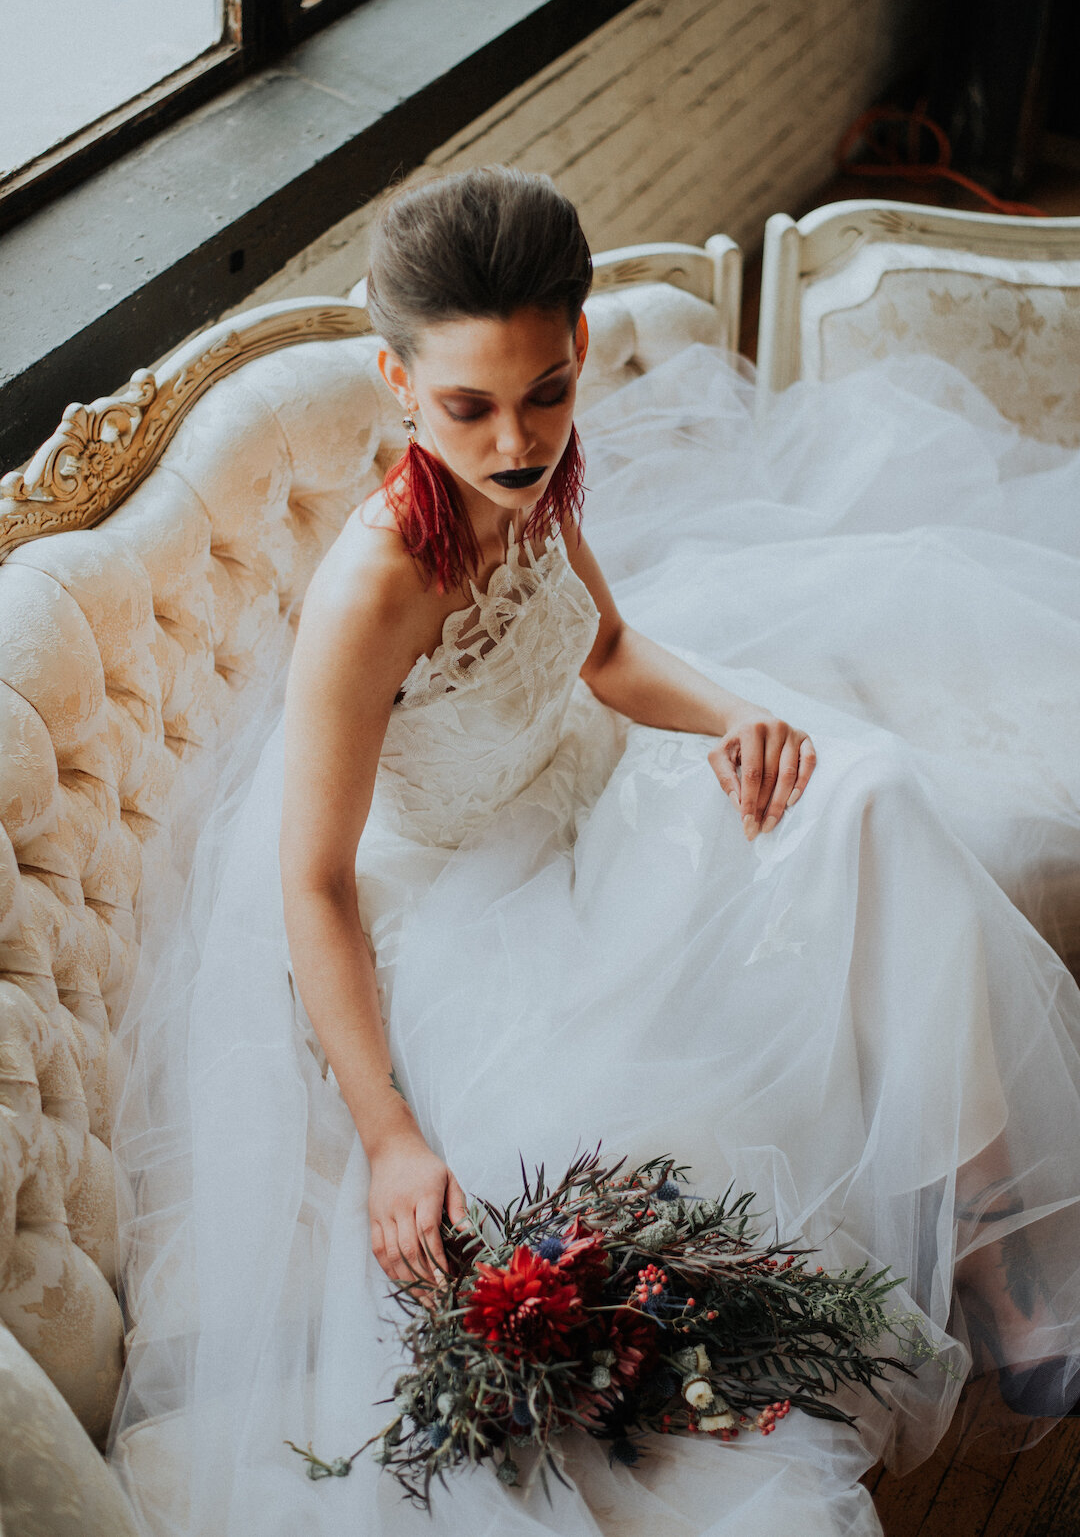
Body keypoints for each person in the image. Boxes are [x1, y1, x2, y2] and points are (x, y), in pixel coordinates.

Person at [110, 166, 1080, 1537]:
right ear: (399, 381)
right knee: (642, 1128)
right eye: (470, 405)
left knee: (868, 788)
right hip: (470, 904)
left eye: (547, 389)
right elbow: (310, 883)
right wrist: (390, 1135)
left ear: (573, 353)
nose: (516, 439)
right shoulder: (373, 589)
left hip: (606, 799)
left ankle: (995, 1254)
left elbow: (606, 647)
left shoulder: (540, 472)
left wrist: (746, 713)